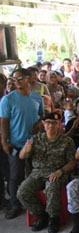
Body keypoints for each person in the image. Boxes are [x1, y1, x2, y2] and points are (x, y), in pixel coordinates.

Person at [16, 112, 75, 233]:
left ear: (59, 125)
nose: (51, 126)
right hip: (37, 173)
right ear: (43, 124)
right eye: (48, 123)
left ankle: (54, 219)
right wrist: (26, 151)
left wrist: (61, 171)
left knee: (51, 188)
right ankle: (41, 215)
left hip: (57, 173)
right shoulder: (35, 139)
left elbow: (72, 162)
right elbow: (22, 156)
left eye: (54, 123)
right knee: (22, 192)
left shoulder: (67, 141)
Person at [0, 68, 45, 219]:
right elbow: (4, 122)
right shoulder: (8, 99)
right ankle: (14, 205)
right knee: (15, 176)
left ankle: (35, 202)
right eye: (14, 79)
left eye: (20, 79)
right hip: (16, 143)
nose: (17, 82)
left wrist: (39, 124)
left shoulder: (37, 98)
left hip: (34, 143)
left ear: (28, 79)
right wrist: (4, 141)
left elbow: (41, 116)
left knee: (35, 173)